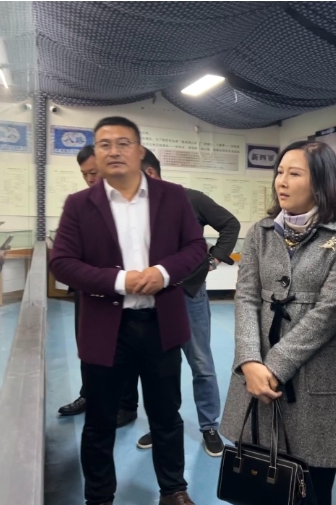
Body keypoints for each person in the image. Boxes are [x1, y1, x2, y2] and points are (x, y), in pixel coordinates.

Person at [50, 116, 207, 505]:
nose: (114, 151)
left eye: (123, 143)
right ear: (95, 154)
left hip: (160, 326)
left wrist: (163, 272)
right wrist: (119, 281)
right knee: (100, 420)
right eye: (104, 144)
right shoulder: (79, 205)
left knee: (166, 415)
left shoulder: (173, 196)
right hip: (106, 329)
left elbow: (195, 248)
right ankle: (99, 496)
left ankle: (173, 490)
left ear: (139, 151)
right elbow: (62, 263)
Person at [220, 141, 336, 505]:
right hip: (255, 373)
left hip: (314, 373)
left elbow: (330, 310)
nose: (281, 181)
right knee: (258, 479)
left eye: (294, 173)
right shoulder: (260, 231)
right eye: (280, 172)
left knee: (310, 486)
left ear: (321, 183)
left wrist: (275, 366)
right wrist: (249, 361)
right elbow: (246, 296)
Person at [133, 147, 240, 456]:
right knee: (159, 367)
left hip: (189, 296)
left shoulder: (191, 199)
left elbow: (230, 224)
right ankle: (163, 424)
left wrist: (214, 259)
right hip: (154, 299)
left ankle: (209, 427)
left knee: (201, 363)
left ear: (150, 173)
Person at [57, 144, 138, 428]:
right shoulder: (81, 206)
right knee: (88, 346)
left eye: (94, 172)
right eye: (85, 174)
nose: (90, 178)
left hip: (123, 291)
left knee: (123, 350)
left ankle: (126, 406)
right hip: (88, 289)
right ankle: (88, 395)